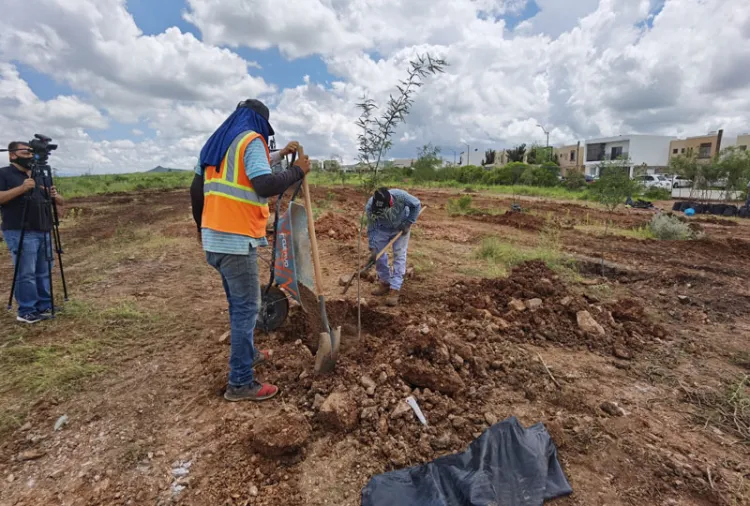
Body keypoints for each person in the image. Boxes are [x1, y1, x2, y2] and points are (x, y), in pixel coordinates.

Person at [190, 99, 310, 403]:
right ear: (260, 123)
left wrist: (202, 229)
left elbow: (196, 189)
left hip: (215, 240)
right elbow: (263, 184)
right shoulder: (251, 140)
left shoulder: (219, 144)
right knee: (247, 309)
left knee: (237, 305)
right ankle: (240, 382)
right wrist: (296, 170)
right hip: (235, 241)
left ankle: (250, 353)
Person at [0, 142, 63, 324]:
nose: (29, 155)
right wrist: (22, 188)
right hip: (19, 230)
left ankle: (45, 305)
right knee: (26, 273)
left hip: (43, 229)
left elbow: (60, 201)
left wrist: (54, 196)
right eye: (25, 152)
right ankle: (27, 310)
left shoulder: (41, 175)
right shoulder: (4, 173)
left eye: (31, 152)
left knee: (44, 271)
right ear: (12, 155)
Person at [365, 188, 421, 307]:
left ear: (390, 203)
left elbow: (416, 205)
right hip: (381, 229)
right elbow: (371, 226)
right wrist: (372, 246)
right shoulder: (371, 205)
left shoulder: (401, 196)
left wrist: (408, 223)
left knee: (399, 255)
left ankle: (395, 288)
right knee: (379, 255)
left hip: (400, 228)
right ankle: (385, 282)